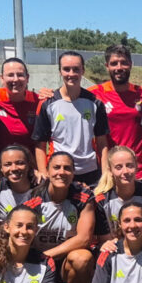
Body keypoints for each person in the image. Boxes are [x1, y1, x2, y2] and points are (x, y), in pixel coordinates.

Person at [24, 152, 97, 283]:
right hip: (38, 263)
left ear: (73, 173)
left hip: (64, 261)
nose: (61, 172)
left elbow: (84, 238)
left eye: (67, 168)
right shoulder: (34, 197)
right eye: (56, 167)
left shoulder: (84, 197)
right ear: (48, 171)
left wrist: (47, 256)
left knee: (82, 258)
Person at [32, 51, 110, 185]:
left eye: (76, 69)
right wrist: (43, 171)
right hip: (59, 171)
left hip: (90, 172)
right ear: (60, 71)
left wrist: (105, 172)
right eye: (66, 69)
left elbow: (102, 143)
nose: (71, 74)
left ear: (83, 71)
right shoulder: (48, 104)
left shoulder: (95, 103)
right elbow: (40, 144)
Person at [88, 44, 142, 181]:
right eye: (114, 63)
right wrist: (48, 94)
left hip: (137, 171)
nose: (119, 67)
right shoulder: (93, 94)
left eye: (124, 63)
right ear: (107, 66)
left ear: (131, 64)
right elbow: (67, 98)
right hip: (107, 171)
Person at [93, 146, 142, 251]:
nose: (125, 171)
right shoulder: (101, 199)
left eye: (130, 165)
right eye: (119, 167)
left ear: (137, 167)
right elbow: (105, 240)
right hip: (115, 250)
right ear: (110, 171)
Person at [0, 57, 47, 167]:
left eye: (20, 75)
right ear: (2, 78)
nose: (15, 79)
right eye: (10, 75)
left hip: (28, 169)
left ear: (27, 78)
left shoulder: (38, 101)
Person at [0, 145, 39, 244]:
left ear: (29, 165)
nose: (14, 168)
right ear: (0, 168)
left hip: (38, 247)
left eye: (20, 163)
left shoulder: (42, 188)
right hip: (7, 245)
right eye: (7, 164)